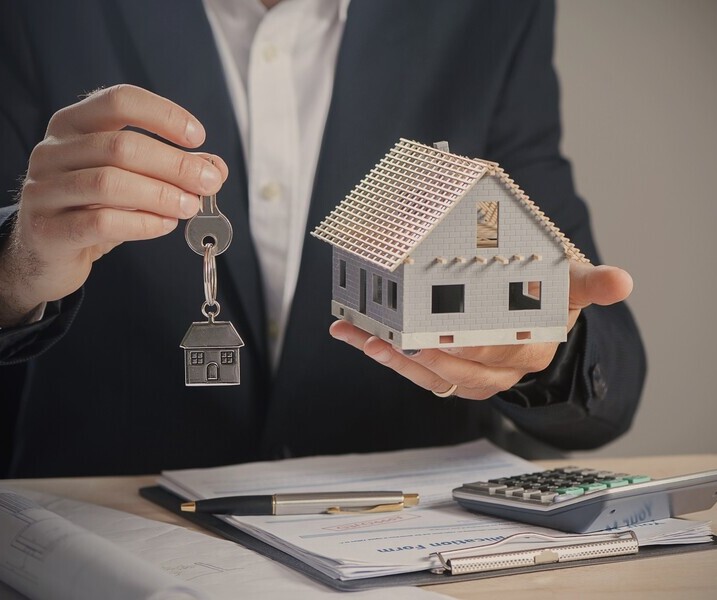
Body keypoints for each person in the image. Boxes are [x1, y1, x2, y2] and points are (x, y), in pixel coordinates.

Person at [0, 0, 646, 477]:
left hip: (392, 533)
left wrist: (544, 350)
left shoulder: (488, 16)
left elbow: (607, 384)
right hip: (99, 522)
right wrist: (14, 271)